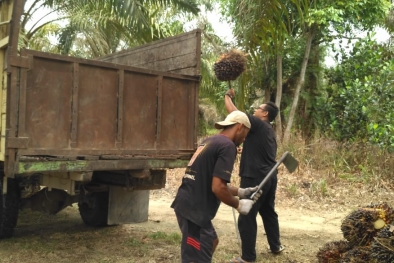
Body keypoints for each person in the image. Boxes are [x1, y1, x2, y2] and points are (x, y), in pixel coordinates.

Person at [171, 110, 262, 263]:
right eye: (246, 133)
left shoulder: (210, 141)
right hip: (194, 209)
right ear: (239, 127)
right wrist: (238, 204)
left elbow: (211, 180)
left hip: (187, 204)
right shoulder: (228, 146)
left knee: (211, 241)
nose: (245, 138)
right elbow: (217, 187)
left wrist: (241, 191)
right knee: (198, 253)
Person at [224, 89, 283, 263]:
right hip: (270, 176)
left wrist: (227, 96)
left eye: (258, 108)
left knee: (247, 216)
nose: (255, 110)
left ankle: (247, 258)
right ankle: (276, 246)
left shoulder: (257, 123)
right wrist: (245, 150)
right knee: (268, 211)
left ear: (264, 113)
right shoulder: (267, 130)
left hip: (255, 178)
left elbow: (236, 115)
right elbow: (261, 150)